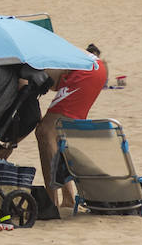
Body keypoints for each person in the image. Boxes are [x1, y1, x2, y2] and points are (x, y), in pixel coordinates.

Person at [35, 44, 108, 208]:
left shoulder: (12, 63)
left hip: (84, 72)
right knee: (59, 133)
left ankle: (50, 202)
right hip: (93, 68)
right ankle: (67, 198)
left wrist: (9, 144)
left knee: (44, 132)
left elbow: (25, 105)